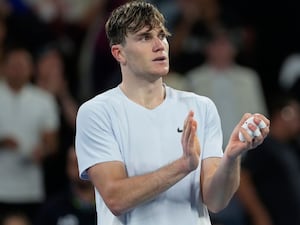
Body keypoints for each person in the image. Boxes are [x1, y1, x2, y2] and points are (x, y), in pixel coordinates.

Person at [75, 1, 270, 225]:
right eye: (145, 37)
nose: (160, 45)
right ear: (119, 53)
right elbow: (115, 197)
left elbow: (216, 201)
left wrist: (231, 157)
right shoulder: (97, 112)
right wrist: (183, 165)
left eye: (162, 35)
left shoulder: (200, 107)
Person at [0, 45, 59, 222]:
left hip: (30, 188)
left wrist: (43, 150)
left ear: (31, 69)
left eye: (22, 65)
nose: (18, 70)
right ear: (3, 67)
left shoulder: (44, 100)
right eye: (13, 65)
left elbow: (52, 142)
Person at [238, 93, 300, 225]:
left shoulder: (292, 146)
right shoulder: (262, 144)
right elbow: (243, 178)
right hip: (273, 219)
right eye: (297, 114)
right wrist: (259, 215)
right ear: (285, 114)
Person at [34, 145, 96, 225]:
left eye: (85, 163)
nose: (81, 169)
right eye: (75, 164)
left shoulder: (110, 204)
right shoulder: (53, 208)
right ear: (67, 168)